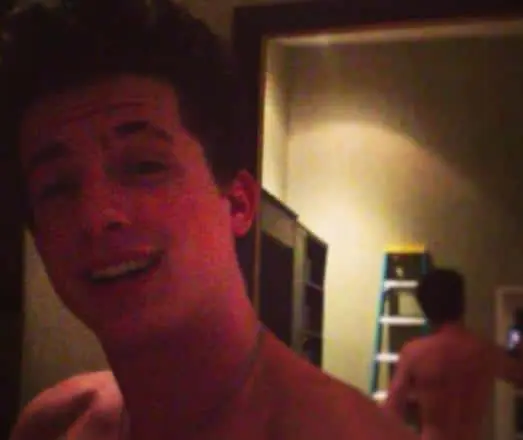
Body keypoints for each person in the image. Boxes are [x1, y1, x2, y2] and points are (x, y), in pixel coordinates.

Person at [4, 1, 418, 439]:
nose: (95, 215)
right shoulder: (57, 423)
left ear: (238, 204)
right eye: (57, 187)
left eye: (144, 166)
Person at [383, 268, 523, 440]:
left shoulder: (414, 353)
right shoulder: (486, 351)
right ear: (462, 303)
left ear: (426, 308)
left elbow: (391, 411)